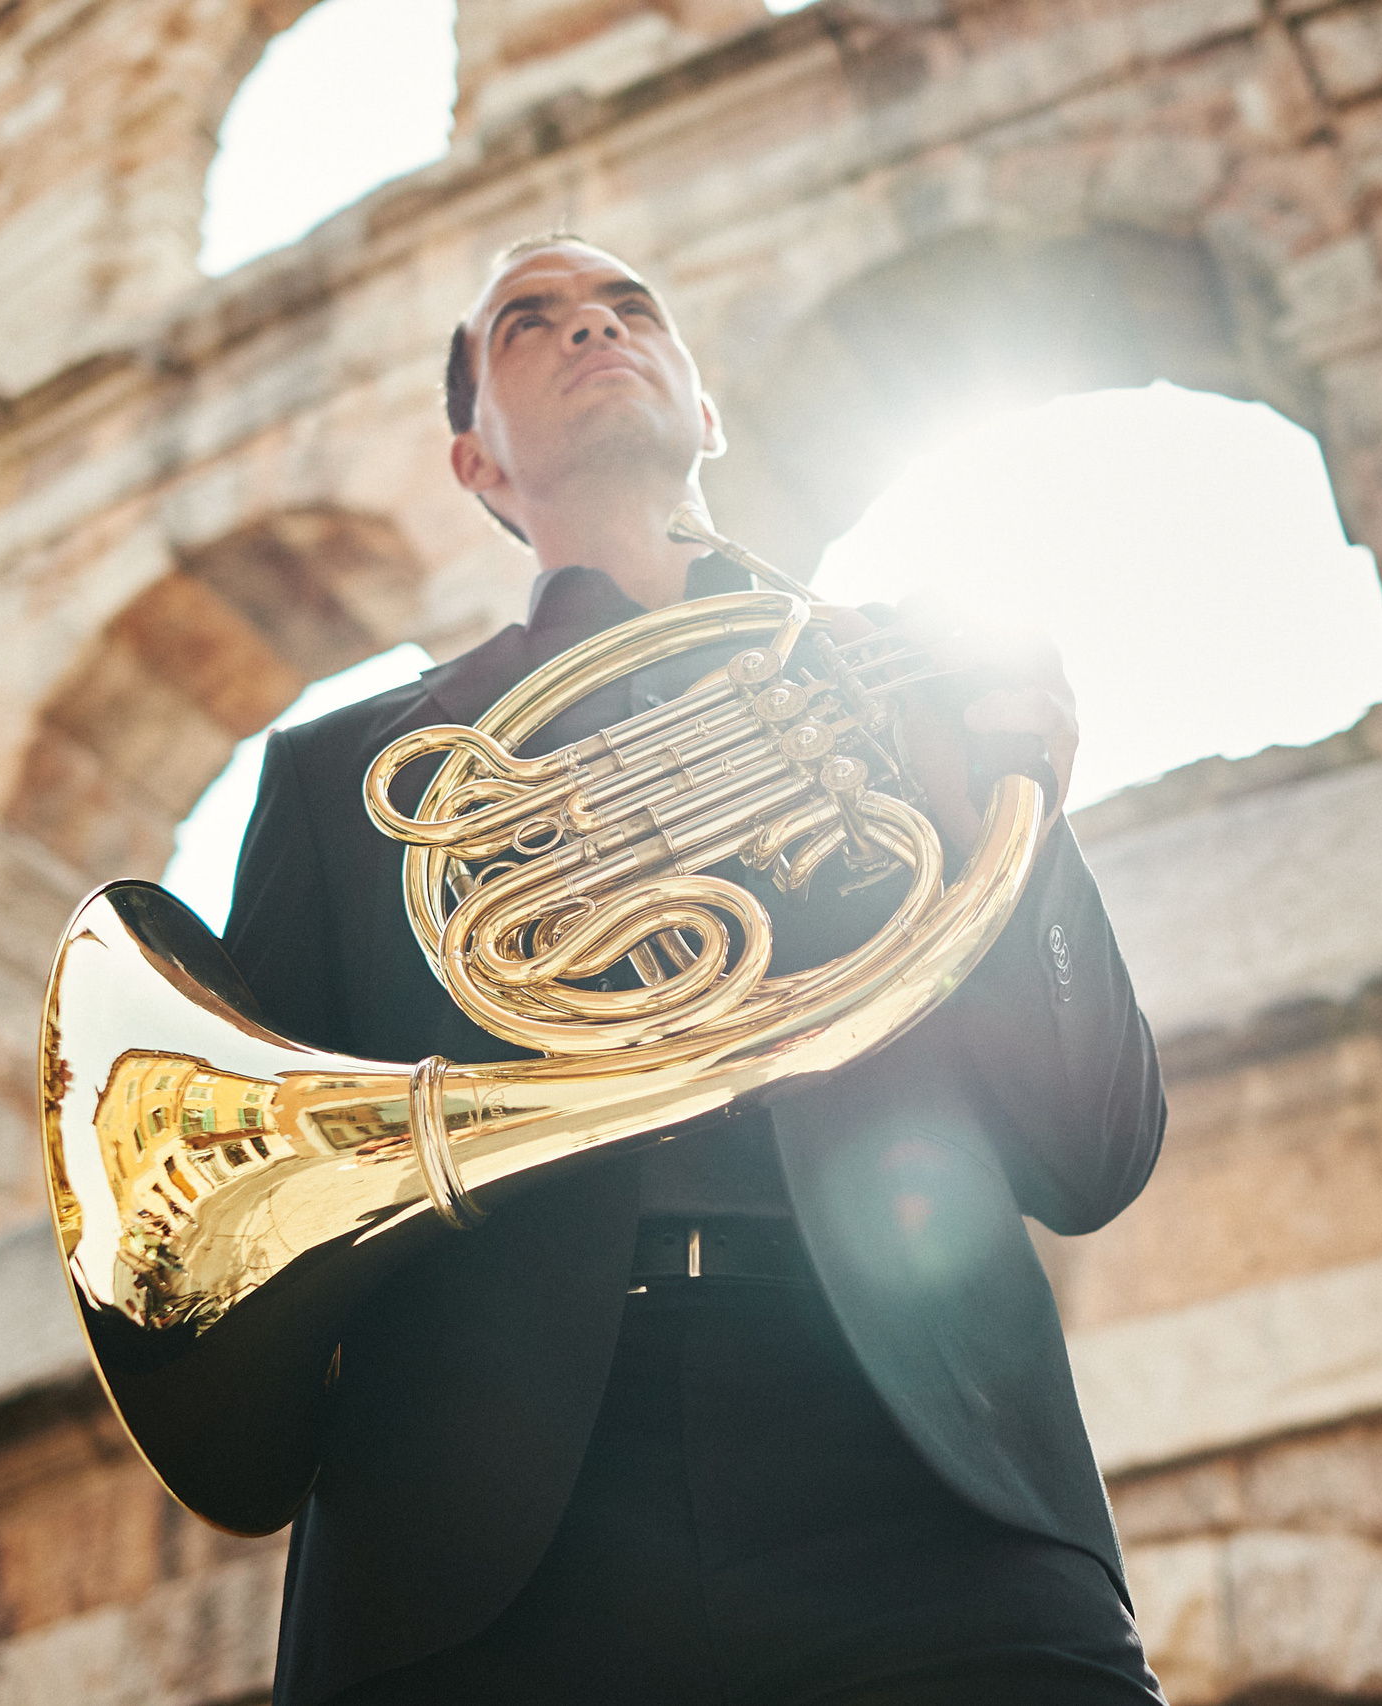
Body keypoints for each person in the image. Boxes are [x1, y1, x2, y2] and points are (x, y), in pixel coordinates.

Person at [223, 235, 1168, 1705]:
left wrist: (1024, 825)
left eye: (626, 307)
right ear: (476, 461)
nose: (589, 324)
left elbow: (1089, 1157)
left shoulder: (916, 674)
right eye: (527, 322)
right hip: (476, 1537)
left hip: (930, 1483)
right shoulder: (347, 776)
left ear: (706, 411)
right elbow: (251, 1198)